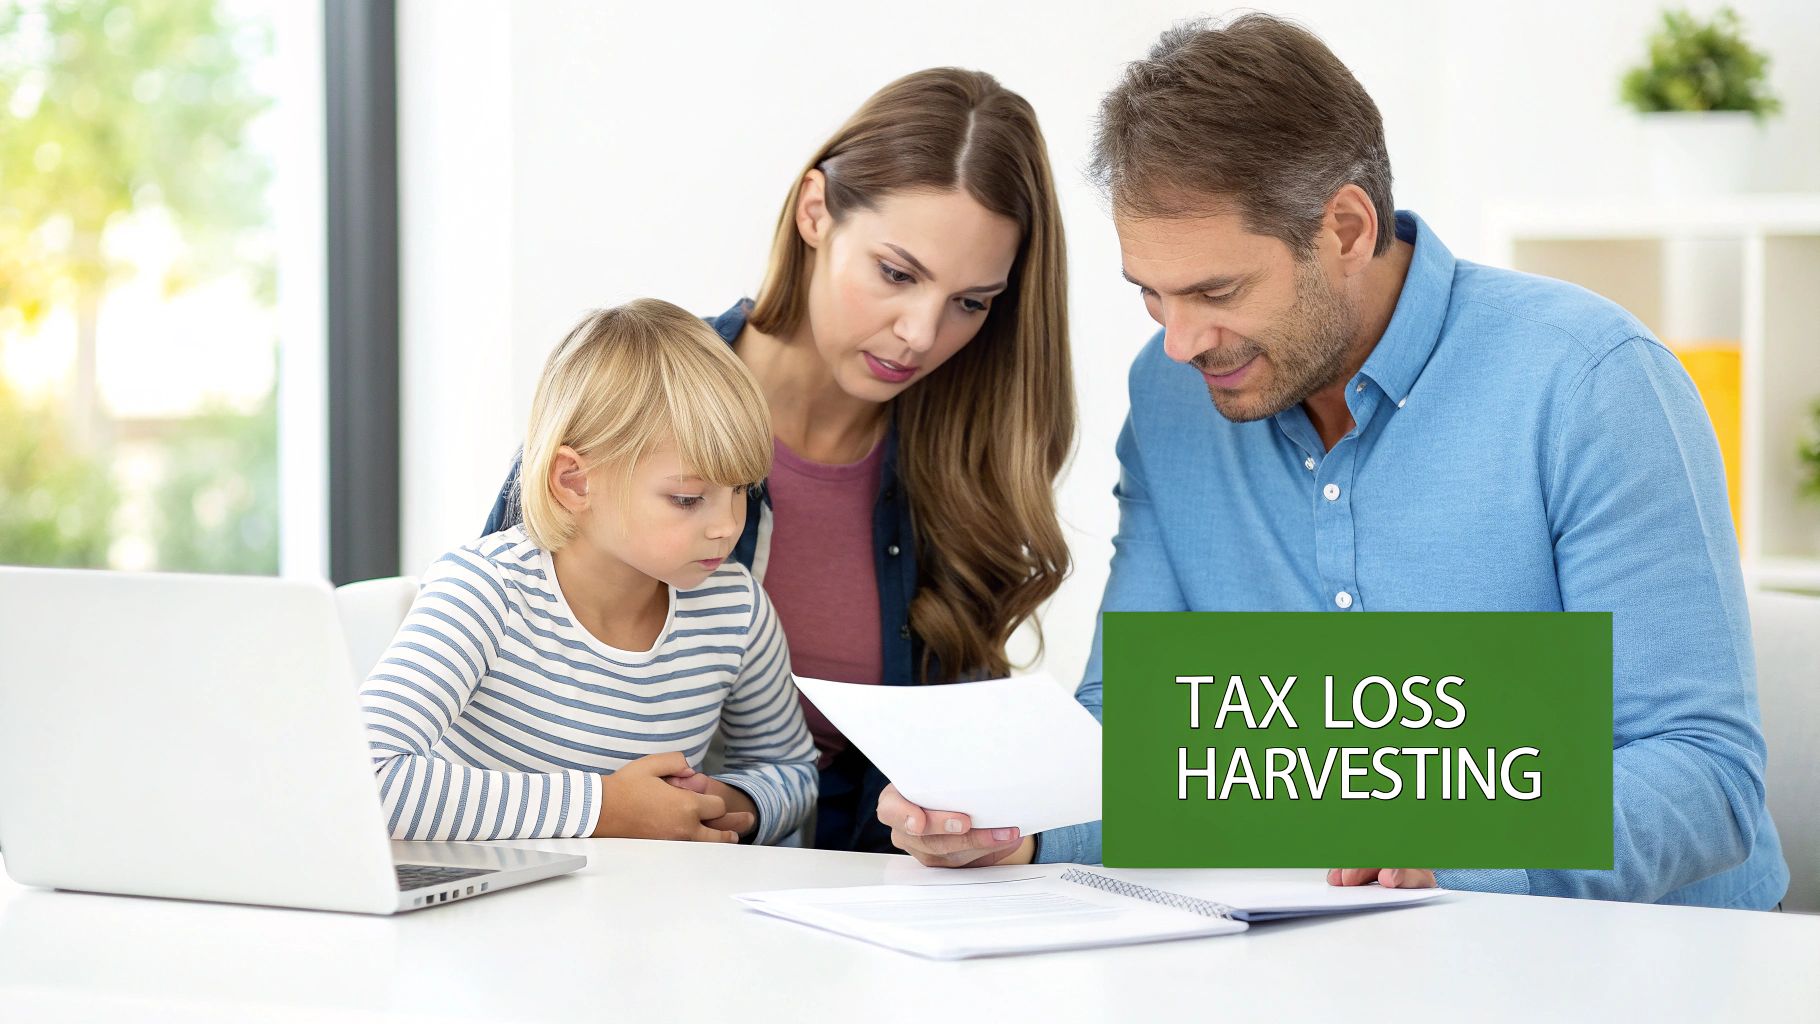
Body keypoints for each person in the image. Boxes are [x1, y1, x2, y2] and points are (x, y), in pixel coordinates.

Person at [886, 14, 1790, 910]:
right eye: (1152, 296)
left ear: (1348, 230)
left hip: (1650, 966)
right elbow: (1148, 738)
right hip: (1340, 960)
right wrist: (1017, 821)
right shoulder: (1172, 400)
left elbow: (1703, 773)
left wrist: (1453, 855)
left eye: (1216, 291)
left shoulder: (1589, 382)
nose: (1181, 341)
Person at [481, 68, 1076, 853]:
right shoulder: (631, 402)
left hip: (873, 904)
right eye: (897, 274)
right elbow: (486, 693)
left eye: (971, 302)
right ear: (815, 211)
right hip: (609, 882)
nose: (921, 334)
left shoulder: (961, 472)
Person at [363, 299, 817, 845]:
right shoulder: (486, 592)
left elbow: (791, 769)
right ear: (576, 482)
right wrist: (605, 810)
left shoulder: (735, 610)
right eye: (687, 498)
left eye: (742, 490)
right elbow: (363, 777)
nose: (728, 527)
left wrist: (729, 803)